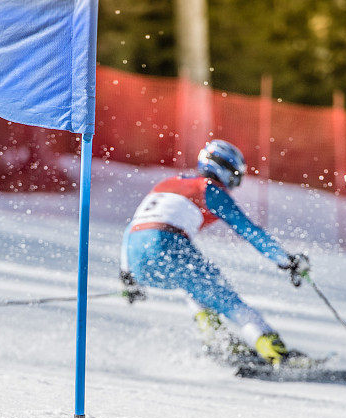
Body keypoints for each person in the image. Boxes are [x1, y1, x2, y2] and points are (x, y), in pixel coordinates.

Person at [120, 139, 310, 366]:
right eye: (236, 174)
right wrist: (285, 260)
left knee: (194, 286)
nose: (234, 182)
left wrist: (127, 277)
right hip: (169, 244)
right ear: (225, 168)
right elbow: (249, 231)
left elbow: (133, 227)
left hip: (135, 255)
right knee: (231, 304)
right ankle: (277, 354)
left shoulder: (169, 182)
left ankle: (219, 343)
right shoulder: (209, 188)